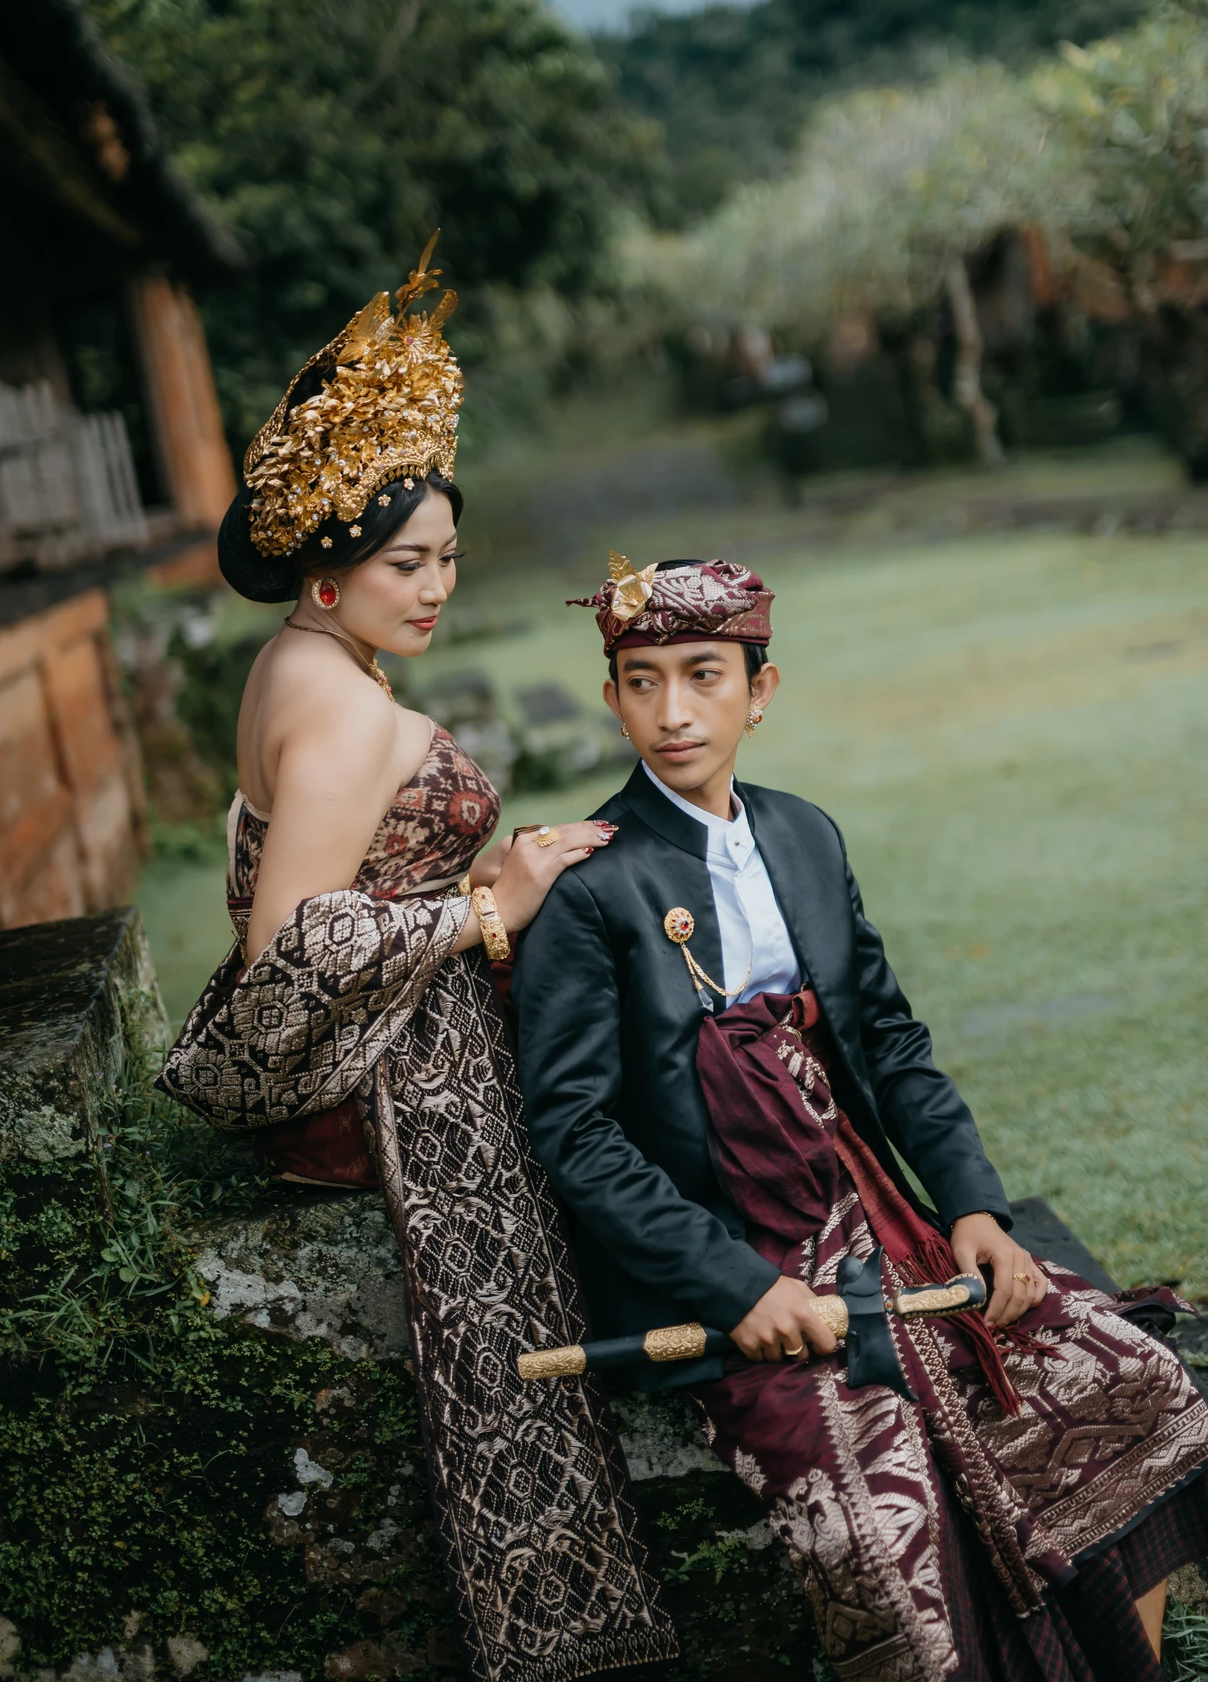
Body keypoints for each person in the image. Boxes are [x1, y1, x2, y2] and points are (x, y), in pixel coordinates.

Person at [513, 551, 1208, 1682]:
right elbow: (577, 1135)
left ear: (760, 690)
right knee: (879, 1528)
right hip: (736, 1262)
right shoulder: (589, 888)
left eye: (702, 674)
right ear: (612, 698)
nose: (672, 710)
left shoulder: (804, 835)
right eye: (641, 681)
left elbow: (886, 1041)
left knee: (1131, 1381)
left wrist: (974, 1208)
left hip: (882, 1222)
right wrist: (737, 1287)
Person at [156, 254, 676, 1682]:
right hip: (381, 1075)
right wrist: (483, 911)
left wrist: (479, 880)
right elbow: (288, 947)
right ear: (326, 567)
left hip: (399, 1012)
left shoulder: (304, 659)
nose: (438, 586)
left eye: (447, 555)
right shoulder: (336, 711)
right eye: (408, 564)